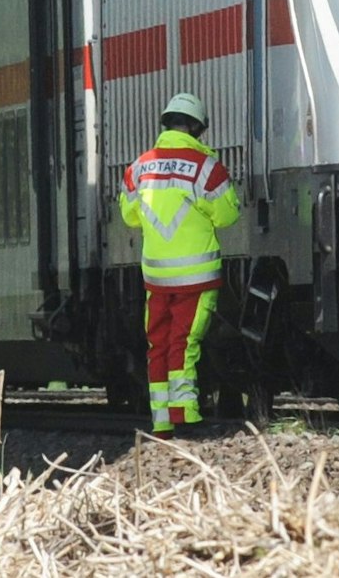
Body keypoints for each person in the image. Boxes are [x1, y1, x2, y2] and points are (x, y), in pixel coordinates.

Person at [120, 92, 240, 435]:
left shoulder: (138, 168)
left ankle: (161, 421)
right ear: (197, 128)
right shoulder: (207, 168)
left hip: (156, 277)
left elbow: (129, 217)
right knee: (183, 345)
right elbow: (228, 215)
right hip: (196, 277)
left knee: (158, 344)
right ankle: (184, 415)